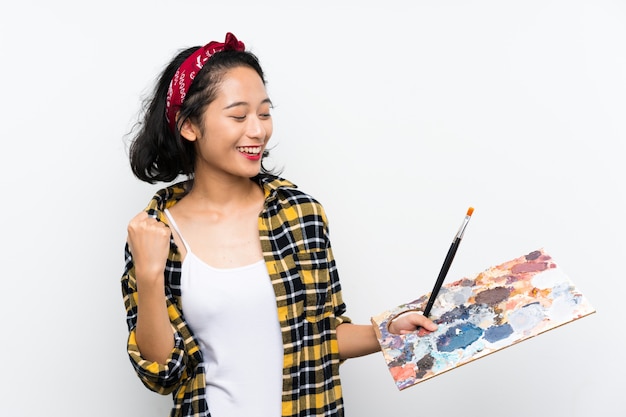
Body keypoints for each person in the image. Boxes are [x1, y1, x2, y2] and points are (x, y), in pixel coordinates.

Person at [121, 32, 437, 417]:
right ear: (189, 126)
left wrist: (387, 330)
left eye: (265, 113)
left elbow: (321, 337)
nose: (257, 130)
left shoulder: (301, 215)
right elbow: (162, 374)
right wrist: (150, 274)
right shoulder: (154, 232)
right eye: (238, 115)